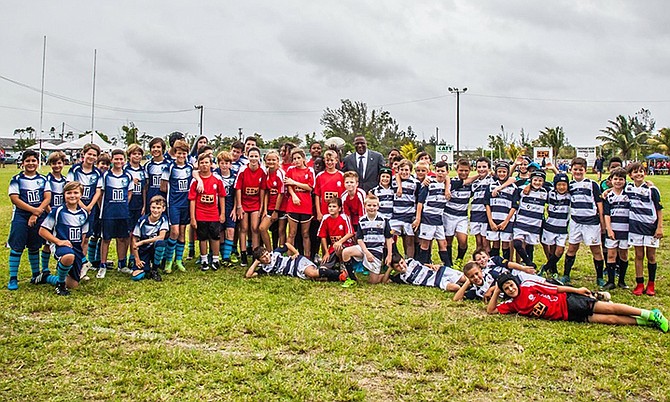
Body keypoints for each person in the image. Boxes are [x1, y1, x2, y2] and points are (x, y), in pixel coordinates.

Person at [487, 274, 668, 333]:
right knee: (611, 320)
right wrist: (496, 290)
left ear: (515, 283)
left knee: (609, 307)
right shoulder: (512, 304)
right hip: (567, 317)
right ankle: (646, 322)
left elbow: (555, 289)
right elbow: (491, 311)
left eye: (510, 285)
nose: (510, 289)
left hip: (569, 302)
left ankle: (649, 313)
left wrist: (576, 290)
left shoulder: (528, 286)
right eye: (506, 288)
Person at [7, 150, 51, 290]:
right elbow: (14, 198)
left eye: (33, 161)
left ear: (38, 162)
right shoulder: (17, 179)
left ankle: (35, 274)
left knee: (34, 246)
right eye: (28, 161)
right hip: (21, 216)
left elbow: (47, 197)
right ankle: (13, 278)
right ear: (23, 163)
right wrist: (33, 210)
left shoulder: (43, 179)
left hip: (38, 216)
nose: (31, 163)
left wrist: (37, 213)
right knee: (17, 247)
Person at [36, 181, 88, 295]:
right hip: (61, 247)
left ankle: (46, 278)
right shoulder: (58, 211)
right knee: (68, 256)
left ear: (81, 195)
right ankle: (60, 285)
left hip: (76, 249)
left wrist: (82, 255)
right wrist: (58, 241)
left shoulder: (84, 213)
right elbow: (42, 231)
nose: (72, 196)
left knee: (73, 284)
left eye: (76, 193)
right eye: (69, 193)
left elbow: (83, 237)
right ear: (64, 195)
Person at [561, 157, 605, 286]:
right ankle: (566, 275)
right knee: (572, 247)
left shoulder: (592, 184)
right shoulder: (571, 185)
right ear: (571, 170)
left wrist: (602, 222)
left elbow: (599, 203)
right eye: (575, 169)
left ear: (585, 170)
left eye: (581, 169)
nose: (578, 172)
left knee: (596, 249)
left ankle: (600, 277)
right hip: (576, 222)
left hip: (591, 222)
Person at [625, 162, 663, 296]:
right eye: (635, 172)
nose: (639, 174)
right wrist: (606, 191)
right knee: (639, 255)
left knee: (651, 256)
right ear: (630, 175)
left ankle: (651, 284)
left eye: (641, 171)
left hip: (650, 228)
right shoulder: (628, 188)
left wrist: (659, 227)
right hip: (635, 228)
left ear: (645, 173)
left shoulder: (652, 189)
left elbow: (659, 209)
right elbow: (615, 187)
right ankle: (639, 283)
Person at [341, 194, 394, 287]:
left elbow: (389, 238)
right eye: (369, 205)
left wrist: (389, 255)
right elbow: (360, 239)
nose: (371, 208)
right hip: (364, 248)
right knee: (346, 252)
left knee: (373, 281)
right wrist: (366, 252)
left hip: (376, 250)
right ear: (365, 206)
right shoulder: (362, 220)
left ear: (378, 206)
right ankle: (352, 279)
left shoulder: (384, 220)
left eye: (374, 205)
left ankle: (388, 275)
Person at [97, 149, 134, 279]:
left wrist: (123, 204)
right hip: (108, 213)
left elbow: (129, 193)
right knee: (106, 239)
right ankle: (102, 265)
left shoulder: (127, 176)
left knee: (122, 238)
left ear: (124, 160)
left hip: (122, 213)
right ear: (112, 160)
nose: (119, 161)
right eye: (116, 159)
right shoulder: (106, 176)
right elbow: (100, 194)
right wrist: (104, 208)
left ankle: (122, 264)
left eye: (121, 159)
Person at [67, 143, 102, 271]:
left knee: (86, 237)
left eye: (94, 155)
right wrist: (81, 205)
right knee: (75, 237)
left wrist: (90, 206)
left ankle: (81, 266)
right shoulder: (75, 169)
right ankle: (72, 264)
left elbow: (98, 191)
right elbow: (70, 188)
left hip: (90, 209)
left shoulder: (97, 172)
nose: (91, 157)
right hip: (75, 208)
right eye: (89, 154)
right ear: (84, 154)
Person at [189, 153, 226, 271]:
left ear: (211, 164)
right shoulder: (195, 181)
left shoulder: (217, 179)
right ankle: (204, 260)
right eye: (202, 163)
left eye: (206, 162)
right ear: (198, 165)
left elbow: (221, 196)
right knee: (202, 237)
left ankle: (215, 259)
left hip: (214, 214)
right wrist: (193, 218)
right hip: (200, 214)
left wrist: (222, 213)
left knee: (215, 237)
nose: (204, 165)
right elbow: (192, 200)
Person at [161, 139, 192, 273]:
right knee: (174, 231)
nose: (181, 156)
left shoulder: (190, 167)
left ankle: (178, 260)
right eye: (179, 153)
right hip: (173, 204)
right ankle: (168, 261)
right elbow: (163, 186)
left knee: (182, 233)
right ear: (175, 153)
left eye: (184, 153)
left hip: (186, 204)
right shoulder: (170, 167)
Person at [234, 147, 266, 266]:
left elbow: (263, 190)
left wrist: (262, 207)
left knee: (255, 228)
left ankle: (255, 254)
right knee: (244, 228)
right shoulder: (243, 170)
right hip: (244, 203)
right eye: (251, 156)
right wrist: (239, 206)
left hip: (255, 203)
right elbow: (238, 188)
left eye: (255, 156)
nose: (253, 159)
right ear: (247, 157)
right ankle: (243, 255)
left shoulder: (262, 171)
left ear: (259, 157)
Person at [245, 243, 342, 282]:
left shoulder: (275, 253)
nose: (267, 257)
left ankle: (340, 276)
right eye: (263, 257)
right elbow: (249, 275)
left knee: (312, 273)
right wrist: (256, 263)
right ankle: (331, 270)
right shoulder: (265, 269)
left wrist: (296, 252)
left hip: (297, 262)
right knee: (317, 278)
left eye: (266, 254)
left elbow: (286, 244)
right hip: (295, 272)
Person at [512, 170, 548, 267]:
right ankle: (529, 263)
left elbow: (560, 187)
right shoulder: (522, 190)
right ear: (531, 180)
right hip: (521, 223)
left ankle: (529, 268)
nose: (537, 182)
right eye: (535, 180)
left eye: (540, 181)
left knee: (529, 246)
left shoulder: (545, 192)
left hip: (534, 225)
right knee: (517, 244)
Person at [416, 161, 448, 264]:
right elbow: (420, 202)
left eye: (443, 171)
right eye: (438, 171)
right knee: (425, 244)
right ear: (434, 171)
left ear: (447, 172)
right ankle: (423, 265)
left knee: (443, 243)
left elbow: (463, 181)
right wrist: (418, 218)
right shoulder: (429, 183)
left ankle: (448, 266)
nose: (440, 173)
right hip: (428, 217)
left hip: (439, 219)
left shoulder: (448, 184)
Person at [539, 173, 571, 278]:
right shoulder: (550, 193)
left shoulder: (570, 195)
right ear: (555, 185)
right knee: (552, 249)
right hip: (550, 226)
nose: (561, 187)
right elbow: (538, 185)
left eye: (564, 185)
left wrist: (554, 169)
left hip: (562, 228)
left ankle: (546, 267)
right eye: (559, 185)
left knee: (560, 250)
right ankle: (554, 270)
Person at [444, 158, 475, 268]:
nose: (463, 173)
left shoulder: (471, 185)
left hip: (462, 216)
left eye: (466, 171)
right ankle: (448, 263)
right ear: (456, 170)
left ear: (470, 170)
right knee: (448, 240)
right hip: (448, 215)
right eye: (461, 170)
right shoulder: (451, 182)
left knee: (463, 241)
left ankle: (459, 260)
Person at [129, 195, 168, 282]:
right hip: (143, 250)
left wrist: (143, 242)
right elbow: (134, 241)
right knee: (137, 277)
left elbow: (161, 237)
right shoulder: (142, 221)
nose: (156, 210)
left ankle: (155, 269)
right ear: (149, 208)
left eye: (158, 208)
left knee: (160, 243)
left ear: (163, 209)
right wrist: (137, 259)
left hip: (154, 247)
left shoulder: (164, 219)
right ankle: (141, 265)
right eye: (153, 207)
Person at [41, 151, 67, 274]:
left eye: (59, 163)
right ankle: (45, 268)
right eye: (54, 163)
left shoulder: (65, 180)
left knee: (61, 239)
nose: (57, 166)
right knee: (48, 242)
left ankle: (60, 265)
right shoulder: (47, 180)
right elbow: (46, 199)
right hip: (50, 214)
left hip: (61, 215)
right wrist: (50, 212)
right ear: (50, 164)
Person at [484, 161, 516, 260]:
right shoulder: (491, 186)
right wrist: (491, 221)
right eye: (499, 171)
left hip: (506, 221)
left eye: (504, 172)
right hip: (494, 220)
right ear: (496, 172)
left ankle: (506, 267)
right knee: (495, 243)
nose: (501, 174)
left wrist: (506, 222)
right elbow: (487, 204)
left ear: (507, 173)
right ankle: (495, 265)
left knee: (505, 244)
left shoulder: (513, 188)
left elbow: (514, 206)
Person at [386, 253, 465, 292]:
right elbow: (384, 281)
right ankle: (467, 289)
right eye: (397, 266)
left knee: (463, 278)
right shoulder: (400, 278)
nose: (402, 266)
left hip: (438, 271)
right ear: (394, 268)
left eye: (402, 262)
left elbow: (422, 264)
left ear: (403, 259)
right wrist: (389, 268)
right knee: (455, 287)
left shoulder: (410, 261)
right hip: (435, 281)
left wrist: (431, 266)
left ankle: (473, 286)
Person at [390, 159, 420, 258]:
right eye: (401, 169)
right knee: (388, 236)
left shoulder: (415, 183)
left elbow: (417, 199)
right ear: (398, 170)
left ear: (410, 171)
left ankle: (409, 260)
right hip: (395, 215)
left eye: (406, 170)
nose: (404, 172)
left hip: (409, 215)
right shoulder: (393, 180)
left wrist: (416, 216)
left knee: (409, 240)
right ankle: (396, 258)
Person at [125, 144, 147, 269]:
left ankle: (135, 257)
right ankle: (128, 258)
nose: (137, 156)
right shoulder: (125, 169)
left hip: (139, 204)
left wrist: (144, 204)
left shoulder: (143, 170)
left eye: (139, 154)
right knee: (129, 233)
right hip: (128, 204)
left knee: (137, 232)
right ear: (129, 156)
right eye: (134, 154)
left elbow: (144, 188)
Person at [214, 151, 238, 266]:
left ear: (230, 164)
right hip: (216, 207)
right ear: (218, 164)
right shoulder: (214, 174)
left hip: (230, 207)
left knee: (231, 231)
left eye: (227, 163)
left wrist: (235, 208)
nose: (224, 165)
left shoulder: (235, 176)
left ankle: (227, 257)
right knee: (219, 231)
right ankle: (218, 254)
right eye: (222, 163)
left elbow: (237, 194)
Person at [317, 198, 355, 269]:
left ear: (339, 209)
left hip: (346, 245)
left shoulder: (344, 217)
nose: (331, 209)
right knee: (323, 268)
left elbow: (350, 233)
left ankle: (343, 264)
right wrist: (326, 252)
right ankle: (332, 263)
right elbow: (323, 236)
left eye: (334, 207)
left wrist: (340, 242)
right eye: (330, 206)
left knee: (339, 248)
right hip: (333, 247)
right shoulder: (325, 218)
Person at [259, 150, 285, 251]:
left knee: (281, 231)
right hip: (270, 205)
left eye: (273, 160)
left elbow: (281, 193)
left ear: (278, 161)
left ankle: (280, 253)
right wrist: (265, 209)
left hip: (281, 206)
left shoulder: (280, 173)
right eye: (269, 160)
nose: (271, 162)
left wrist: (276, 211)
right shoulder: (266, 173)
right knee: (262, 228)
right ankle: (270, 252)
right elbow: (266, 192)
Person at [469, 157, 494, 253]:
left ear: (489, 168)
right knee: (478, 242)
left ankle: (488, 263)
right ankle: (479, 263)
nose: (481, 169)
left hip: (486, 214)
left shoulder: (492, 181)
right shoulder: (474, 182)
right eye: (479, 167)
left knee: (485, 242)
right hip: (475, 214)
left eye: (484, 166)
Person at [314, 150, 344, 222]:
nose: (329, 162)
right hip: (324, 211)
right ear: (324, 161)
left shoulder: (342, 176)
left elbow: (344, 195)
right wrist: (318, 212)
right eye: (327, 160)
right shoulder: (319, 176)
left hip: (338, 212)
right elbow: (317, 195)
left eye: (331, 160)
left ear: (336, 160)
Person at [145, 137, 169, 211]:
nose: (155, 149)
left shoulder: (169, 165)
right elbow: (146, 185)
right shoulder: (147, 165)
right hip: (151, 199)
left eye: (158, 147)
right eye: (153, 147)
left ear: (163, 149)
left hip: (164, 200)